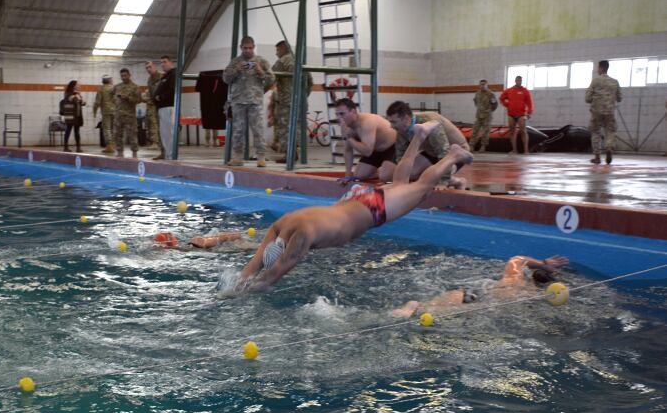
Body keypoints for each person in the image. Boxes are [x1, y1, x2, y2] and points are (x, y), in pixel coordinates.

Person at [233, 119, 474, 292]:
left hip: (372, 209)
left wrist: (238, 295)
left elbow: (273, 274)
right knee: (400, 183)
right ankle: (419, 137)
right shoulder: (281, 223)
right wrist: (241, 281)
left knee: (420, 187)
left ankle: (452, 155)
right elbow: (255, 265)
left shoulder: (301, 235)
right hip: (356, 198)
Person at [390, 255, 569, 317]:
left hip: (471, 293)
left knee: (425, 308)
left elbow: (517, 259)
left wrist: (543, 262)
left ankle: (412, 305)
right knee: (434, 315)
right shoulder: (533, 296)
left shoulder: (515, 276)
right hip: (480, 305)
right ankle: (415, 308)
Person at [384, 101, 470, 189]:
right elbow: (401, 156)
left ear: (406, 119)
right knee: (412, 172)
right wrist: (400, 181)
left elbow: (444, 152)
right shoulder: (402, 128)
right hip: (431, 152)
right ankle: (437, 177)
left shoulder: (430, 123)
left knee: (431, 177)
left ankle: (458, 181)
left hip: (456, 153)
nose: (391, 126)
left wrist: (443, 182)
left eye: (394, 122)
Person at [222, 36, 275, 167]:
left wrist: (260, 72)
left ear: (254, 47)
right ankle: (237, 157)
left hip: (255, 101)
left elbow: (271, 79)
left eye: (250, 48)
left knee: (258, 130)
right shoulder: (235, 62)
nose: (247, 50)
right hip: (238, 101)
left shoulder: (260, 61)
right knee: (238, 130)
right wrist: (236, 70)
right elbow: (225, 79)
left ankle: (261, 157)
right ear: (241, 47)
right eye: (245, 48)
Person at [333, 98, 399, 185]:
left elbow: (367, 152)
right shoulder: (346, 127)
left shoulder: (367, 123)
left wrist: (348, 137)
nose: (339, 118)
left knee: (385, 177)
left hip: (393, 147)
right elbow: (348, 150)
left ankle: (400, 169)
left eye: (342, 114)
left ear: (353, 112)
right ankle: (381, 170)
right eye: (337, 114)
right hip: (375, 150)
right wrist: (347, 175)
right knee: (358, 176)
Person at [271, 40, 313, 163]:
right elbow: (310, 81)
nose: (276, 53)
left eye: (278, 50)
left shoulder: (282, 61)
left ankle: (288, 155)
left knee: (285, 128)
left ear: (284, 49)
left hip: (286, 102)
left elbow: (271, 77)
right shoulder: (300, 60)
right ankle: (297, 152)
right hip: (301, 101)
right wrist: (304, 96)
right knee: (299, 127)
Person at [585, 60, 622, 165]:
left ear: (601, 68)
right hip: (610, 112)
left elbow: (587, 98)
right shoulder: (615, 82)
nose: (597, 70)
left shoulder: (595, 81)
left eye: (598, 68)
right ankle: (609, 148)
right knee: (610, 131)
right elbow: (619, 98)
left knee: (596, 132)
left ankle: (597, 157)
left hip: (596, 111)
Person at [500, 75, 533, 155]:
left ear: (521, 81)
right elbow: (501, 98)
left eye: (520, 80)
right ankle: (514, 150)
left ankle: (526, 150)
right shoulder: (509, 90)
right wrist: (507, 104)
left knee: (523, 131)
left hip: (521, 114)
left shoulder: (525, 91)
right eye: (518, 80)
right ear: (515, 81)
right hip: (511, 114)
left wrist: (529, 112)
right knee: (512, 132)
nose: (519, 81)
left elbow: (530, 103)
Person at [113, 68, 141, 158]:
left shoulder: (135, 87)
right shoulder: (117, 87)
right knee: (117, 134)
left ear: (129, 75)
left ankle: (134, 153)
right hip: (118, 115)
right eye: (122, 76)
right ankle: (119, 152)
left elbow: (138, 100)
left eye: (125, 75)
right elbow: (110, 95)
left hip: (130, 116)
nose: (123, 77)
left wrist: (128, 98)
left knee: (132, 135)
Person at [153, 56, 176, 160]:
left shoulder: (173, 75)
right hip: (162, 108)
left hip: (168, 107)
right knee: (164, 134)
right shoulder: (165, 76)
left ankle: (171, 155)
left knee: (169, 133)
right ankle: (168, 155)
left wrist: (160, 97)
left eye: (165, 62)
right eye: (161, 62)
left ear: (171, 63)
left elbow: (172, 90)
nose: (162, 64)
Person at [471, 79, 498, 152]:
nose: (482, 86)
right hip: (479, 115)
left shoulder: (491, 94)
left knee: (486, 132)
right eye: (481, 84)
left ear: (487, 85)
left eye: (484, 84)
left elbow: (495, 104)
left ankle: (483, 146)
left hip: (487, 116)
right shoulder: (477, 93)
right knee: (475, 130)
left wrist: (489, 111)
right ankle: (472, 145)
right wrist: (480, 109)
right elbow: (475, 102)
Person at [93, 75, 116, 154]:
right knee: (113, 129)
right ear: (109, 80)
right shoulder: (114, 88)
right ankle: (113, 145)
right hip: (115, 111)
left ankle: (109, 146)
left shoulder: (101, 89)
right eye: (111, 79)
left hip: (106, 111)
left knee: (107, 129)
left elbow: (97, 102)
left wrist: (94, 111)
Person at [143, 61, 163, 154]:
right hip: (153, 104)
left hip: (162, 103)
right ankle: (155, 142)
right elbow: (151, 93)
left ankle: (161, 142)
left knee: (161, 123)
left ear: (154, 66)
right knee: (153, 123)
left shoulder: (162, 76)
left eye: (150, 67)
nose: (148, 69)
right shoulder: (149, 80)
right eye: (147, 68)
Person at [61, 80, 86, 152]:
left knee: (77, 131)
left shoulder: (77, 94)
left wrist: (79, 96)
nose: (79, 86)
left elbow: (83, 103)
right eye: (78, 84)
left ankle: (78, 147)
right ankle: (65, 147)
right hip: (70, 116)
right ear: (74, 85)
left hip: (77, 116)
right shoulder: (68, 93)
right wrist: (77, 95)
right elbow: (75, 99)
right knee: (68, 131)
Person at [154, 231, 246, 249]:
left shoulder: (185, 247)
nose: (172, 234)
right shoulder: (194, 242)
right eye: (169, 234)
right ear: (170, 240)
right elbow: (223, 237)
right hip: (235, 246)